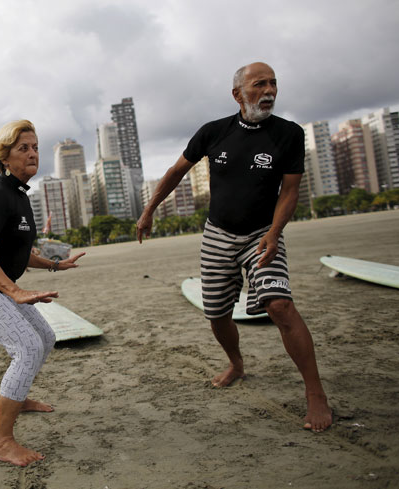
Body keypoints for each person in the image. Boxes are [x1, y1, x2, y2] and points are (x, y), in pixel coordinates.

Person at [136, 62, 332, 432]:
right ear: (238, 93)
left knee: (280, 305)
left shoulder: (288, 134)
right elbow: (176, 172)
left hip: (262, 233)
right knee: (217, 314)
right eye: (260, 84)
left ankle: (315, 393)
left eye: (273, 83)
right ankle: (237, 364)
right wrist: (149, 210)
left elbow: (290, 191)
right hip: (218, 234)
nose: (269, 90)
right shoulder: (214, 132)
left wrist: (274, 234)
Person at [0, 120, 85, 466]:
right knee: (26, 346)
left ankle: (18, 396)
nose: (33, 153)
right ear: (4, 157)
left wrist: (56, 265)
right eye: (23, 148)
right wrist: (15, 291)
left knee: (45, 336)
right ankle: (2, 442)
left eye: (35, 147)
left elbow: (19, 253)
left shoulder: (20, 196)